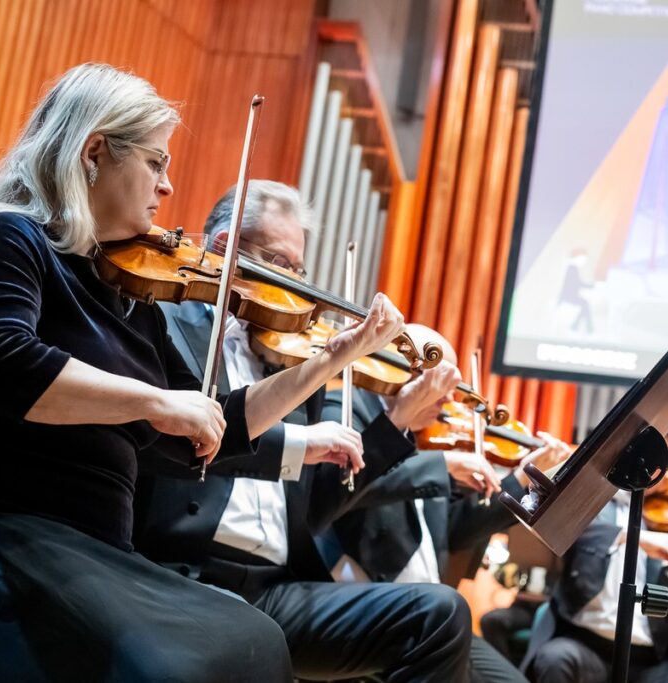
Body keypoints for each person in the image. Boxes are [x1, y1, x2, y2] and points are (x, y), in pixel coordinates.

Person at [0, 64, 405, 682]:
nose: (168, 185)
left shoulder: (131, 301)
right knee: (174, 666)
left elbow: (214, 430)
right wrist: (154, 402)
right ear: (96, 152)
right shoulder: (2, 237)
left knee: (254, 639)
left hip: (91, 554)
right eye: (156, 163)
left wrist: (332, 358)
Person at [133, 181, 474, 682]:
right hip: (179, 570)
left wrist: (386, 428)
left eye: (299, 270)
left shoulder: (290, 360)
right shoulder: (166, 320)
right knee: (253, 644)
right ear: (226, 247)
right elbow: (185, 440)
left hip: (275, 588)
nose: (295, 284)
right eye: (280, 262)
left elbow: (317, 507)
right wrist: (300, 440)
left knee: (441, 616)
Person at [325, 325, 572, 682]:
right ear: (403, 371)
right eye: (442, 386)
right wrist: (437, 464)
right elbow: (347, 483)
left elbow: (455, 531)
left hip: (436, 613)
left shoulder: (426, 438)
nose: (450, 402)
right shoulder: (348, 408)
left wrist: (520, 478)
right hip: (368, 603)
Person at [520, 476, 668, 683]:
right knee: (555, 659)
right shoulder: (589, 500)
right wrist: (633, 537)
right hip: (583, 645)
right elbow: (565, 530)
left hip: (648, 662)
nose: (660, 474)